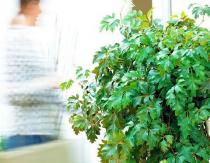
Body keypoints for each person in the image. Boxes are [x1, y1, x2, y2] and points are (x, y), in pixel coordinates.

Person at [1, 0, 64, 150]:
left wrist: (85, 110)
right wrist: (48, 83)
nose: (40, 12)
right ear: (28, 7)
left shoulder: (32, 41)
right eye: (37, 5)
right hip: (26, 136)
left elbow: (52, 93)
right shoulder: (15, 39)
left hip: (43, 136)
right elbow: (13, 93)